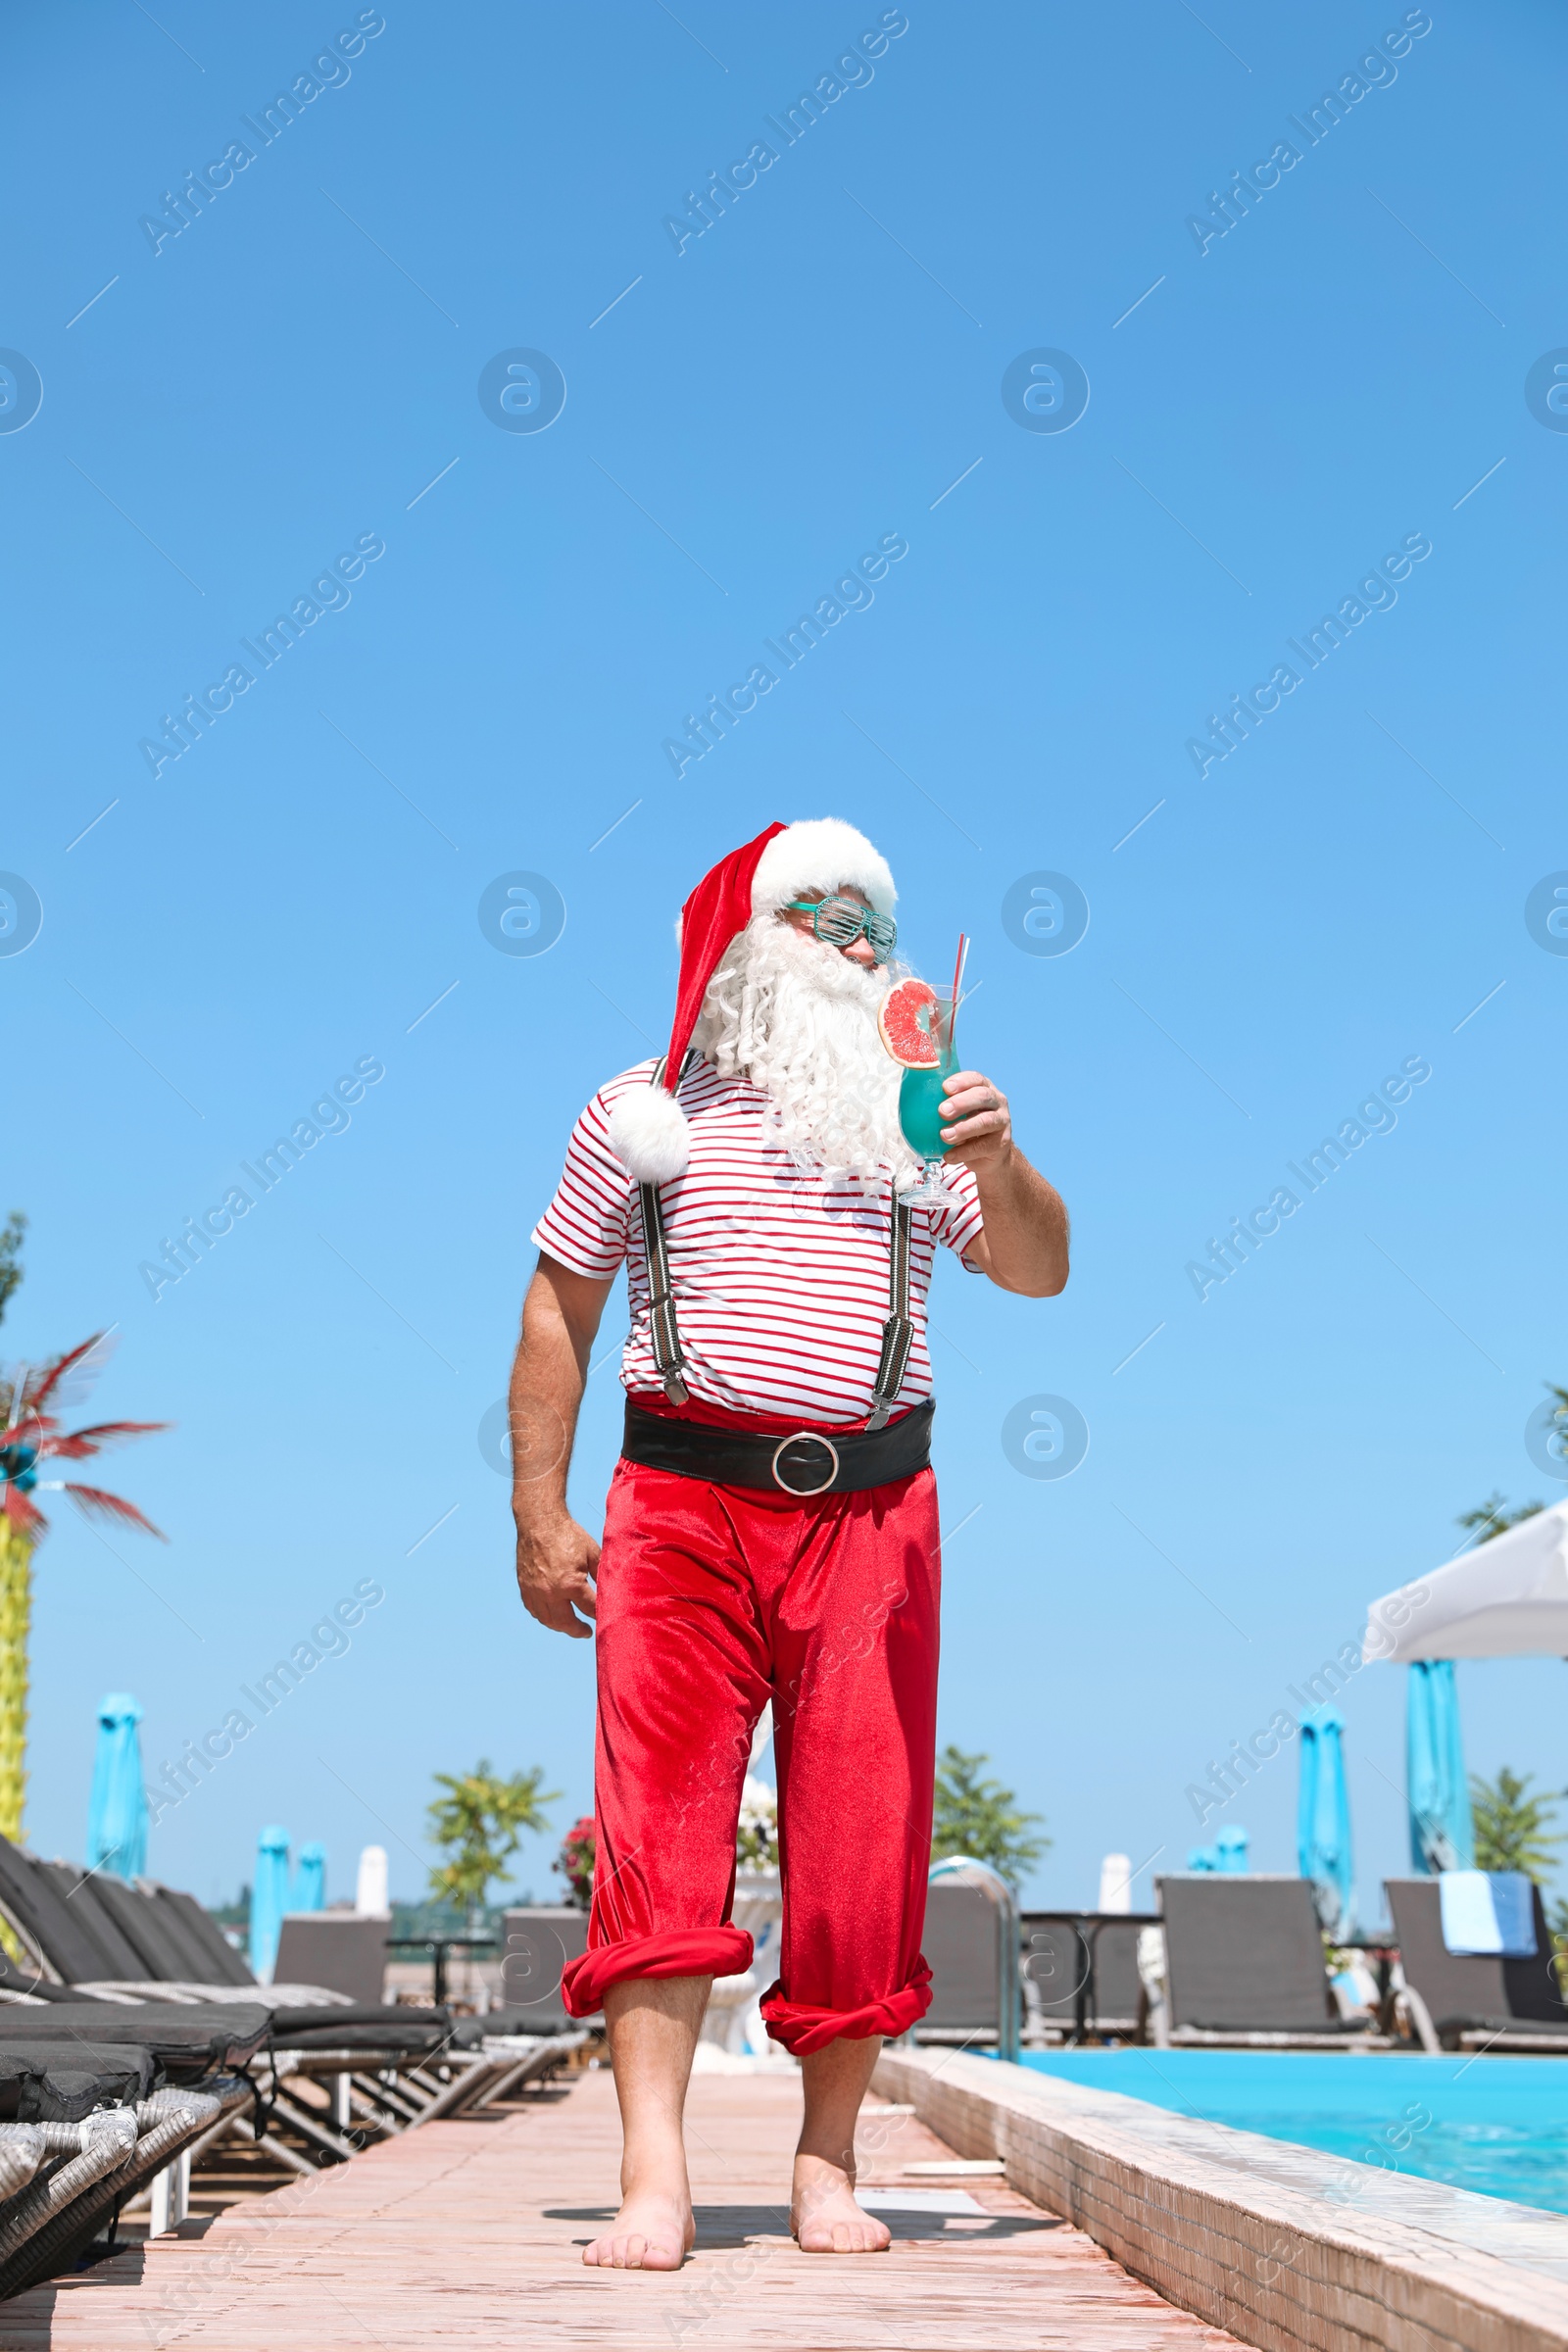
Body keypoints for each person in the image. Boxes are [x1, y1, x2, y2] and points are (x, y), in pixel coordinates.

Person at [510, 817, 1068, 2270]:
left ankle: (828, 2165)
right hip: (681, 1510)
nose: (857, 940)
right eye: (823, 914)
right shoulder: (640, 1112)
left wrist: (999, 1159)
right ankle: (654, 2177)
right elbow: (559, 1311)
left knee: (862, 1851)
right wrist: (539, 1513)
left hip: (877, 1515)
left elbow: (1039, 1269)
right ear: (753, 943)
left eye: (872, 918)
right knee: (658, 1841)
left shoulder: (915, 1116)